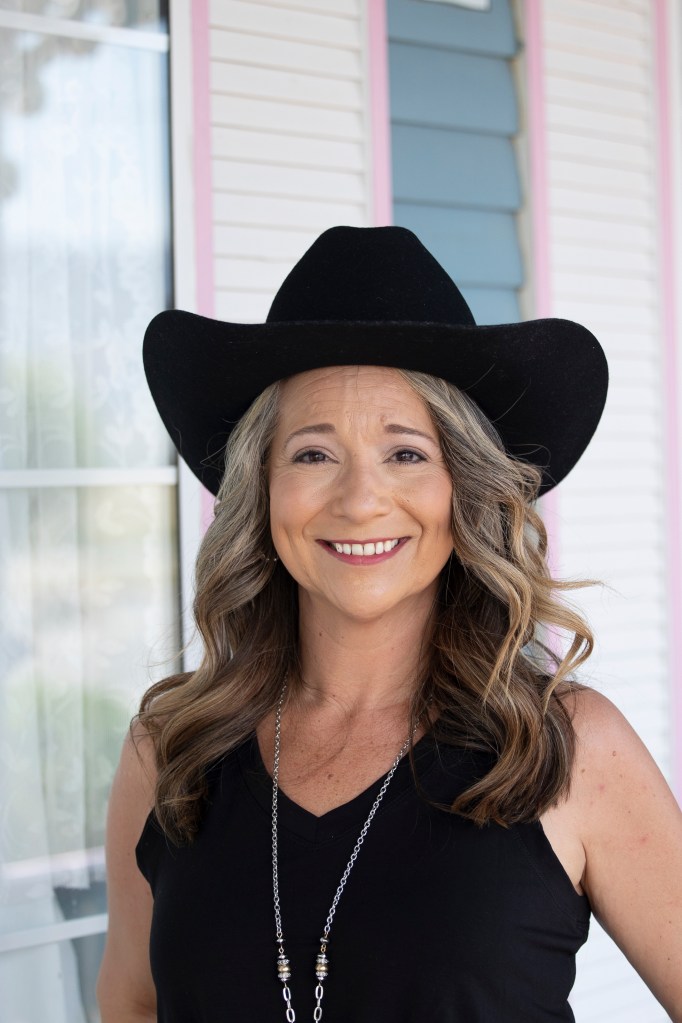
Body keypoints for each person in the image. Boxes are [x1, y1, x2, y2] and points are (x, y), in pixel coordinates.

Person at [97, 226, 682, 1022]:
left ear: (463, 487)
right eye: (312, 454)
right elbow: (131, 1003)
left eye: (406, 453)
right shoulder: (169, 749)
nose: (360, 499)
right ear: (261, 490)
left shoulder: (570, 749)